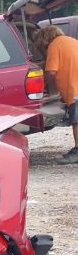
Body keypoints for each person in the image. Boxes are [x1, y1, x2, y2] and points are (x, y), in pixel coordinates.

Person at [33, 25, 78, 164]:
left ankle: (77, 151)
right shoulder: (71, 41)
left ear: (44, 39)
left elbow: (51, 71)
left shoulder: (54, 45)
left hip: (74, 90)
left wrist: (41, 87)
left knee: (76, 121)